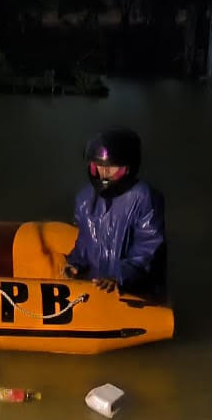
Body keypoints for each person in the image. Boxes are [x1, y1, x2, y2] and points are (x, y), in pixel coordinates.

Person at [63, 128, 167, 299]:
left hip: (135, 293)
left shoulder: (144, 196)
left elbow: (148, 249)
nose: (104, 173)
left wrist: (118, 276)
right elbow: (84, 242)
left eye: (111, 167)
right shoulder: (84, 198)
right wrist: (75, 264)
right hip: (97, 289)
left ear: (128, 167)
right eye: (99, 167)